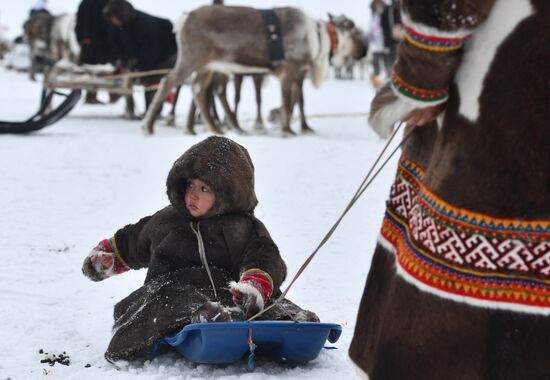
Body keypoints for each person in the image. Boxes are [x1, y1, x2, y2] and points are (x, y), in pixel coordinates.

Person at [81, 136, 318, 361]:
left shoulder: (243, 228)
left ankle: (293, 324)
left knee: (263, 303)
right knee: (175, 299)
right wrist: (107, 259)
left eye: (204, 189)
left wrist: (254, 283)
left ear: (228, 194)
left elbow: (264, 256)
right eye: (190, 185)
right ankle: (209, 321)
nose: (192, 195)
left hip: (226, 291)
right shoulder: (167, 221)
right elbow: (133, 240)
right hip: (170, 290)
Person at [102, 0, 177, 113]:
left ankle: (152, 111)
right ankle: (131, 108)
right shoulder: (119, 27)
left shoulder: (144, 24)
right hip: (146, 56)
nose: (112, 21)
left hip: (165, 55)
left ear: (120, 14)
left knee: (151, 79)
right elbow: (117, 47)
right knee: (130, 77)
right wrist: (122, 63)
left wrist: (138, 68)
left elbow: (151, 50)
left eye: (113, 17)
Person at [75, 0, 116, 104]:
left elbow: (78, 23)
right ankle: (113, 94)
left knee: (90, 70)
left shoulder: (84, 3)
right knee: (107, 70)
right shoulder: (107, 2)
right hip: (103, 44)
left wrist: (81, 39)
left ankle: (91, 95)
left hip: (87, 43)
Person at [367, 0, 392, 87]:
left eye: (379, 4)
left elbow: (387, 28)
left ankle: (389, 79)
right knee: (375, 63)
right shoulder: (373, 15)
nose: (378, 5)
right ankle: (376, 80)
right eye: (376, 4)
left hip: (385, 43)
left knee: (387, 63)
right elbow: (371, 29)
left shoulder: (386, 13)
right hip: (375, 45)